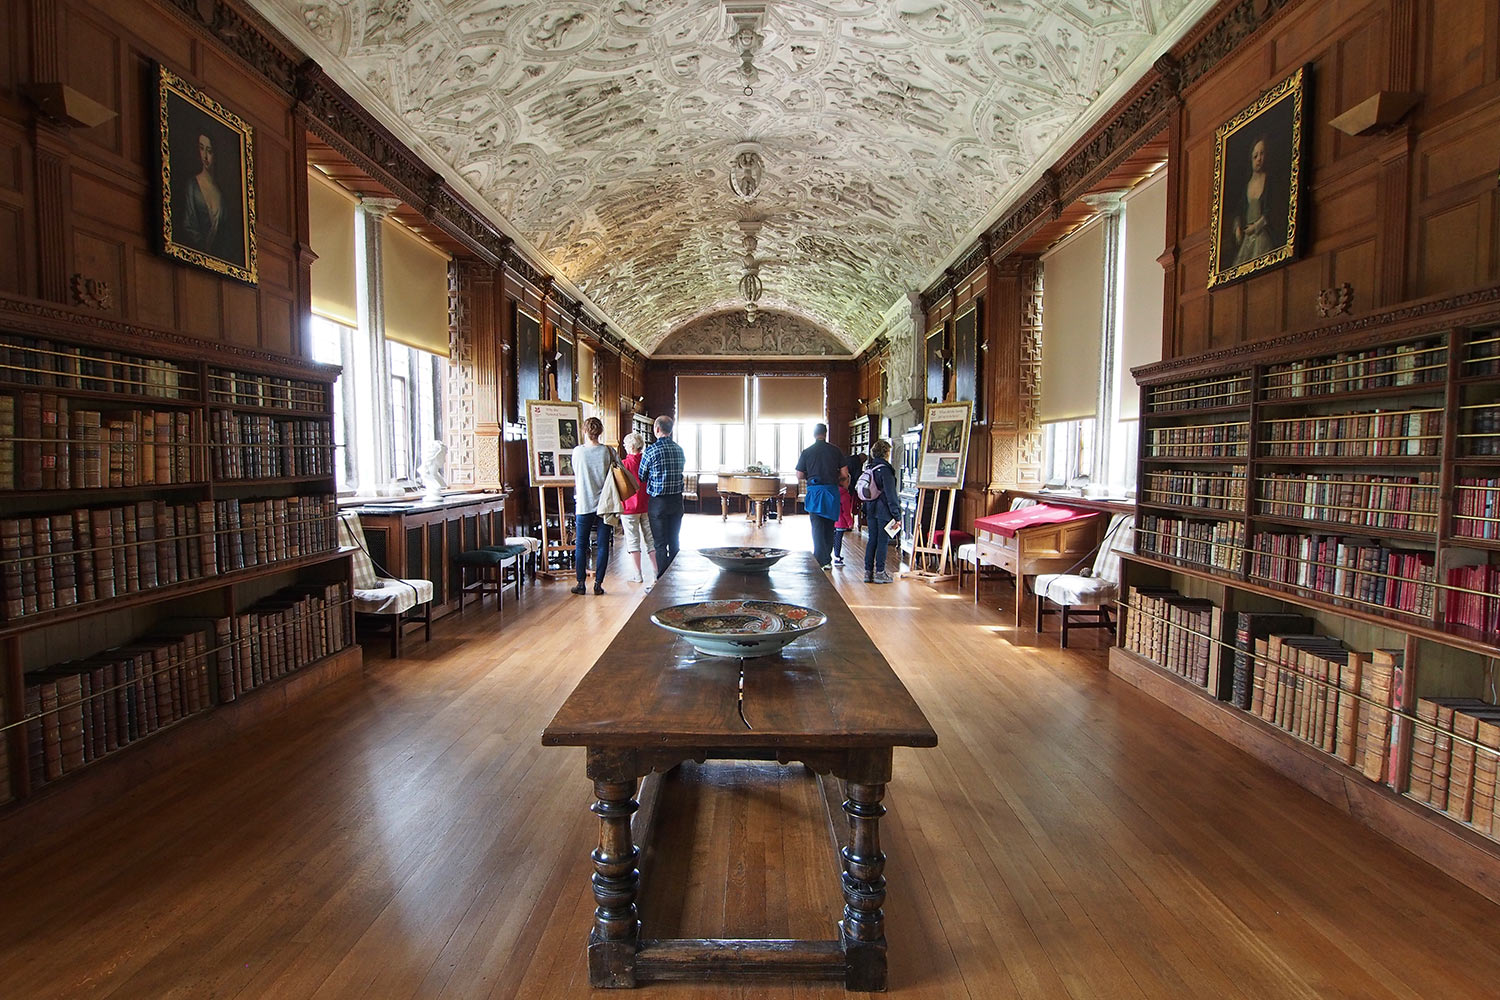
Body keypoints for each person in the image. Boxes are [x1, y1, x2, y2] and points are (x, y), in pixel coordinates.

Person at [569, 417, 615, 595]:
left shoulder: (577, 452)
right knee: (603, 545)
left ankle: (581, 583)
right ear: (600, 431)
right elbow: (618, 472)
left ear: (584, 431)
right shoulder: (608, 451)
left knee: (581, 545)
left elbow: (575, 471)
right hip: (605, 504)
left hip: (584, 503)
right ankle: (598, 584)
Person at [175, 130, 237, 261]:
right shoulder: (192, 185)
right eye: (202, 149)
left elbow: (227, 235)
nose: (205, 156)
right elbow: (188, 225)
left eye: (209, 151)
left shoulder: (221, 193)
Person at [637, 414, 686, 574]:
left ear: (657, 429)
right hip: (677, 501)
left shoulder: (651, 451)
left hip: (658, 503)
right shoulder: (679, 450)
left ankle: (661, 580)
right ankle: (674, 577)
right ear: (670, 431)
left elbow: (641, 476)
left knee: (659, 543)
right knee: (674, 541)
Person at [795, 423, 846, 571]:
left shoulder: (807, 452)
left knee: (817, 526)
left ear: (814, 434)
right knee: (830, 526)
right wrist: (835, 477)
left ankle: (820, 559)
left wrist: (810, 475)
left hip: (815, 492)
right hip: (831, 492)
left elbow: (799, 475)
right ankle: (826, 559)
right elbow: (844, 474)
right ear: (826, 433)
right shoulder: (836, 451)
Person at [1228, 134, 1282, 268]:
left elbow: (1271, 210)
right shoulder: (1247, 185)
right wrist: (1237, 227)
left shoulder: (1269, 181)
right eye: (1255, 155)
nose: (1259, 159)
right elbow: (1239, 211)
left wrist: (1256, 227)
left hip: (1261, 234)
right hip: (1248, 237)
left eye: (1262, 154)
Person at [619, 431, 659, 586]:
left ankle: (638, 575)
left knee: (633, 541)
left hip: (629, 508)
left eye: (625, 445)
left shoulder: (623, 464)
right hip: (647, 505)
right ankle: (656, 573)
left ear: (630, 447)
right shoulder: (647, 461)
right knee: (651, 540)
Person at [862, 439, 899, 584]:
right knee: (882, 541)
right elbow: (891, 494)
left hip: (870, 509)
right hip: (883, 510)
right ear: (886, 453)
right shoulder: (885, 470)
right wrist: (896, 514)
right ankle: (880, 572)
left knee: (872, 540)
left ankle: (868, 572)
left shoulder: (870, 467)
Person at [832, 452, 866, 567]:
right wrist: (850, 522)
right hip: (841, 522)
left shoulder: (833, 492)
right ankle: (837, 557)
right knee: (838, 540)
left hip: (832, 520)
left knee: (833, 539)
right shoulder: (845, 495)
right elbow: (846, 512)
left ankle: (832, 556)